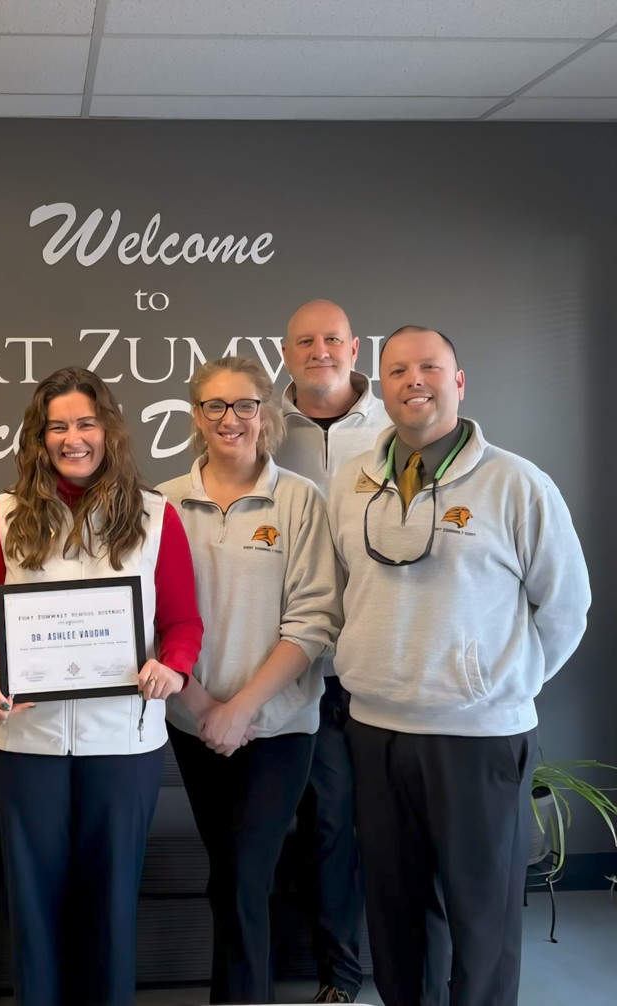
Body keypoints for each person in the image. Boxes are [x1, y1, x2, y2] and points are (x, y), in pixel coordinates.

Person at [328, 325, 591, 1006]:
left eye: (430, 367)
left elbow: (566, 607)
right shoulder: (350, 484)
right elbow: (337, 595)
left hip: (479, 736)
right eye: (398, 369)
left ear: (459, 381)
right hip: (376, 730)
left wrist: (500, 687)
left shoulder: (517, 483)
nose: (414, 379)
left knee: (482, 918)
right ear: (379, 385)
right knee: (395, 913)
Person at [0, 366, 203, 1006]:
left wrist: (174, 665)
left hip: (124, 742)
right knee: (32, 900)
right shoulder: (4, 516)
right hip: (24, 739)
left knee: (111, 898)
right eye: (57, 426)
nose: (73, 438)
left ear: (108, 430)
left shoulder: (156, 517)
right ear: (38, 438)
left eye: (85, 423)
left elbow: (182, 623)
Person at [158, 356, 342, 1005]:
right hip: (193, 723)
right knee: (227, 876)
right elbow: (151, 619)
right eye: (214, 405)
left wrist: (242, 710)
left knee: (242, 874)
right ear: (195, 417)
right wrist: (205, 705)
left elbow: (314, 618)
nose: (230, 419)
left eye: (244, 405)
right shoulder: (165, 504)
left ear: (266, 414)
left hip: (280, 727)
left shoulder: (298, 500)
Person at [274, 299, 387, 1004]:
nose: (321, 350)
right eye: (306, 341)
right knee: (329, 826)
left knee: (400, 826)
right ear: (285, 352)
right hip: (300, 665)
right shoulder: (261, 428)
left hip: (379, 664)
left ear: (354, 349)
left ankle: (417, 968)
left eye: (333, 340)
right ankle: (338, 975)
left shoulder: (395, 431)